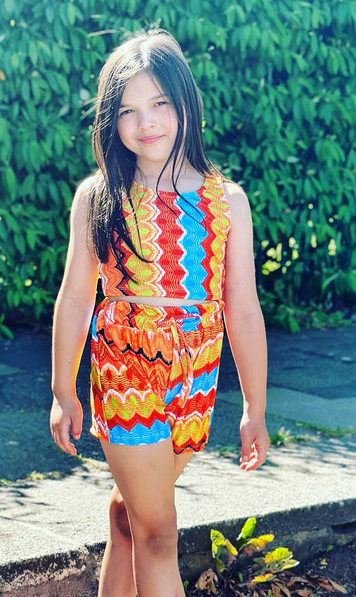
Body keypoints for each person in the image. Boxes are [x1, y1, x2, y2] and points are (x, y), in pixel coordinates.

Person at [50, 29, 269, 597]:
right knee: (159, 532)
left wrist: (255, 407)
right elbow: (76, 297)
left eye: (159, 103)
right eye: (127, 110)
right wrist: (62, 390)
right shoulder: (100, 195)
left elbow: (243, 309)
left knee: (130, 516)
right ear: (110, 121)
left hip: (196, 375)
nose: (145, 123)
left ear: (185, 103)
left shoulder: (227, 201)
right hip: (127, 368)